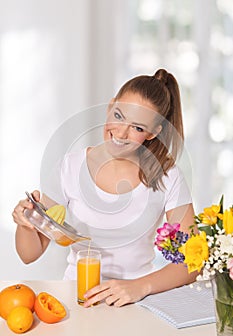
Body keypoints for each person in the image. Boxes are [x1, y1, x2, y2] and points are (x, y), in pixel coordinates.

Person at [13, 68, 198, 307]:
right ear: (110, 106)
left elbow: (192, 262)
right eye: (119, 115)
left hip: (134, 302)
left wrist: (140, 286)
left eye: (138, 128)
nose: (121, 132)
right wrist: (25, 222)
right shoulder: (70, 167)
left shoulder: (168, 176)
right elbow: (29, 254)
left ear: (153, 133)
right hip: (78, 298)